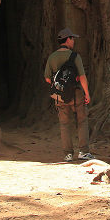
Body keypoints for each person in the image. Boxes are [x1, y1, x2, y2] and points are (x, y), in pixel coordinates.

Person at [44, 27, 93, 162]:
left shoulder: (52, 57)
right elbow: (82, 77)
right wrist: (87, 94)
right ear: (68, 39)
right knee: (82, 121)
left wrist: (60, 86)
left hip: (59, 95)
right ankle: (83, 152)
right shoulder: (75, 56)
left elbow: (47, 79)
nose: (74, 41)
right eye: (72, 38)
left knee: (64, 123)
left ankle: (68, 154)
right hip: (76, 93)